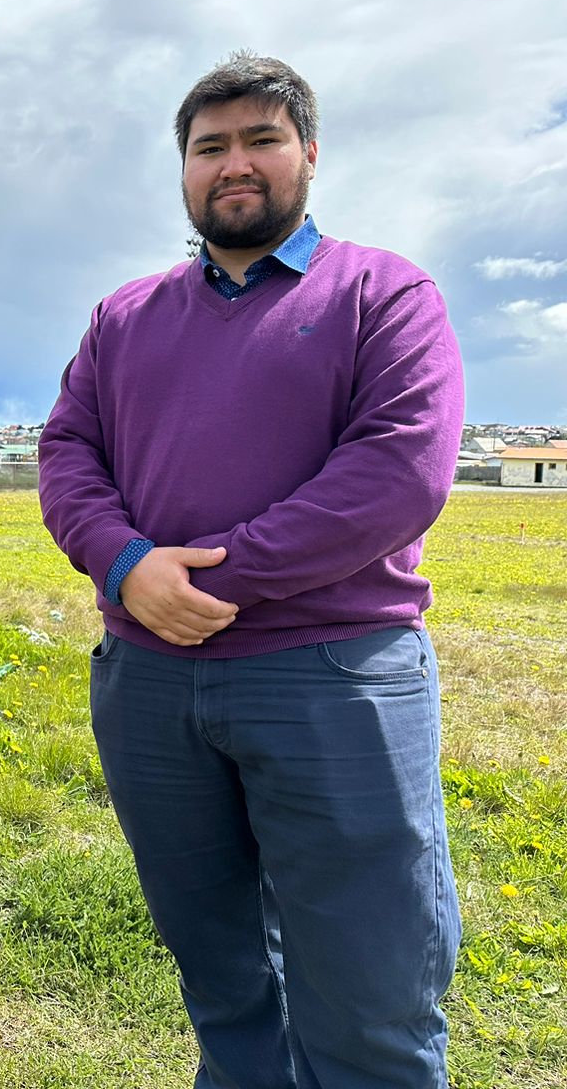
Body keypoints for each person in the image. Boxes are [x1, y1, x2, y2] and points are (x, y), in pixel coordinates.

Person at [38, 53, 465, 1088]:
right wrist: (128, 565)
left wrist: (213, 581)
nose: (235, 163)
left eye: (260, 139)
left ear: (307, 155)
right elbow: (66, 456)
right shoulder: (124, 317)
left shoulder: (383, 293)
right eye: (209, 146)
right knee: (221, 978)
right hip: (149, 685)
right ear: (183, 170)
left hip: (330, 676)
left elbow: (395, 474)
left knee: (368, 994)